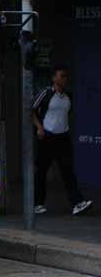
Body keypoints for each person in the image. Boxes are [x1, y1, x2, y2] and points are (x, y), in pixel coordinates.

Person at [32, 66, 92, 216]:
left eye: (66, 76)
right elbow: (31, 110)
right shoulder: (46, 93)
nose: (65, 79)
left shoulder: (68, 97)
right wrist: (39, 127)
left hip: (63, 137)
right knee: (41, 171)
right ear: (54, 78)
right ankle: (37, 204)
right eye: (62, 76)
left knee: (68, 171)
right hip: (47, 137)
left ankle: (77, 203)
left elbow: (65, 115)